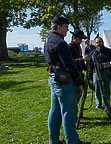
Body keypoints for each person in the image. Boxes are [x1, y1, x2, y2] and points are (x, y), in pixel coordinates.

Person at [44, 16, 90, 144]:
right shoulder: (60, 43)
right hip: (63, 78)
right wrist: (79, 83)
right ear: (58, 26)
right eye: (65, 26)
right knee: (68, 112)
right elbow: (70, 65)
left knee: (55, 111)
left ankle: (53, 141)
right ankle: (73, 142)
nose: (67, 29)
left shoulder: (48, 40)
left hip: (54, 77)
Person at [89, 37, 111, 110]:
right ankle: (98, 105)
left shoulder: (109, 51)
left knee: (107, 88)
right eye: (97, 42)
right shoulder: (92, 53)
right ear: (95, 44)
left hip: (107, 71)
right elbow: (90, 64)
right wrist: (89, 76)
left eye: (100, 42)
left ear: (103, 42)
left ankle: (107, 104)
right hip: (96, 72)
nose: (99, 44)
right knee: (97, 88)